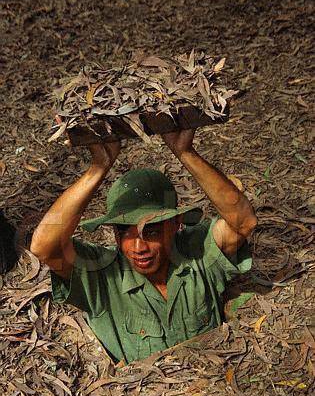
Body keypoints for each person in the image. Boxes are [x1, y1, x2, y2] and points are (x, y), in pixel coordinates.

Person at [31, 128, 257, 364]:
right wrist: (98, 168)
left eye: (150, 231)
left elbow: (244, 221)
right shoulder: (102, 279)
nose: (138, 247)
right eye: (124, 231)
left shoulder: (198, 253)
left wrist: (185, 153)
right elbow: (43, 246)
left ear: (176, 223)